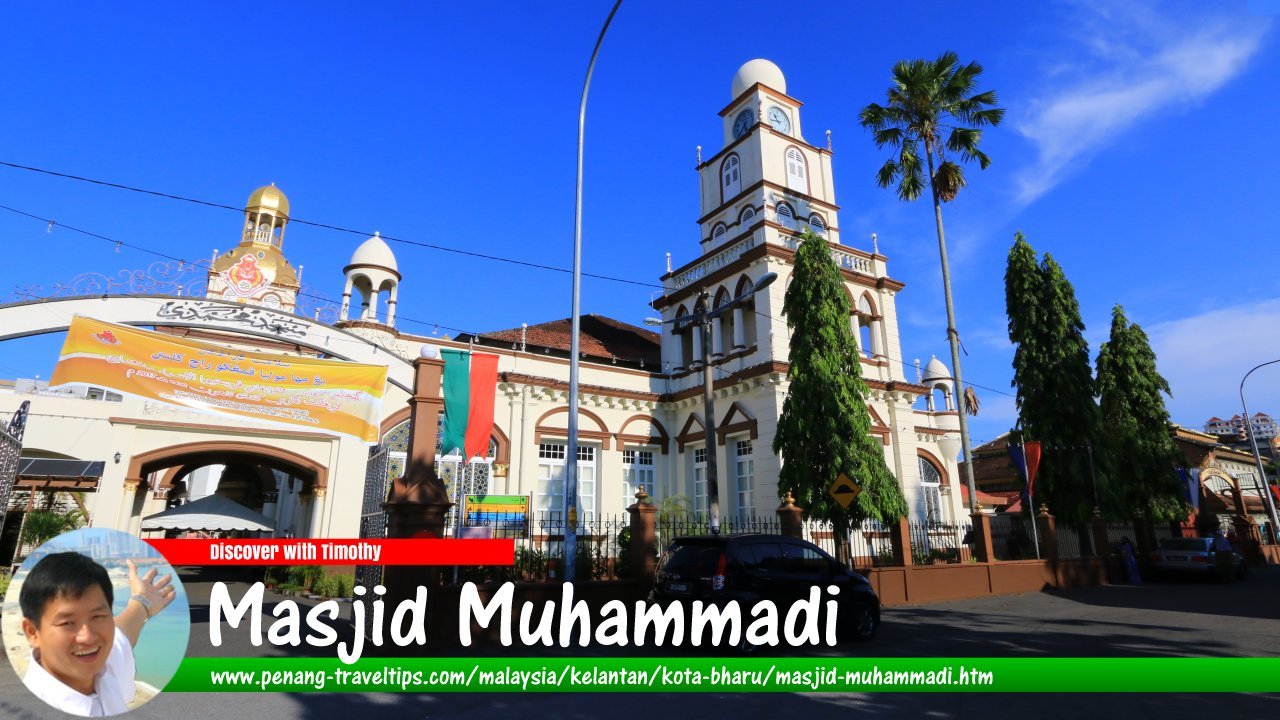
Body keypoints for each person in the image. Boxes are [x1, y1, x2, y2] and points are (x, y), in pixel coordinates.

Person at [19, 553, 177, 717]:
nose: (87, 637)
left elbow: (121, 635)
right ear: (32, 632)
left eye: (97, 617)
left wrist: (142, 601)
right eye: (67, 623)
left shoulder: (102, 667)